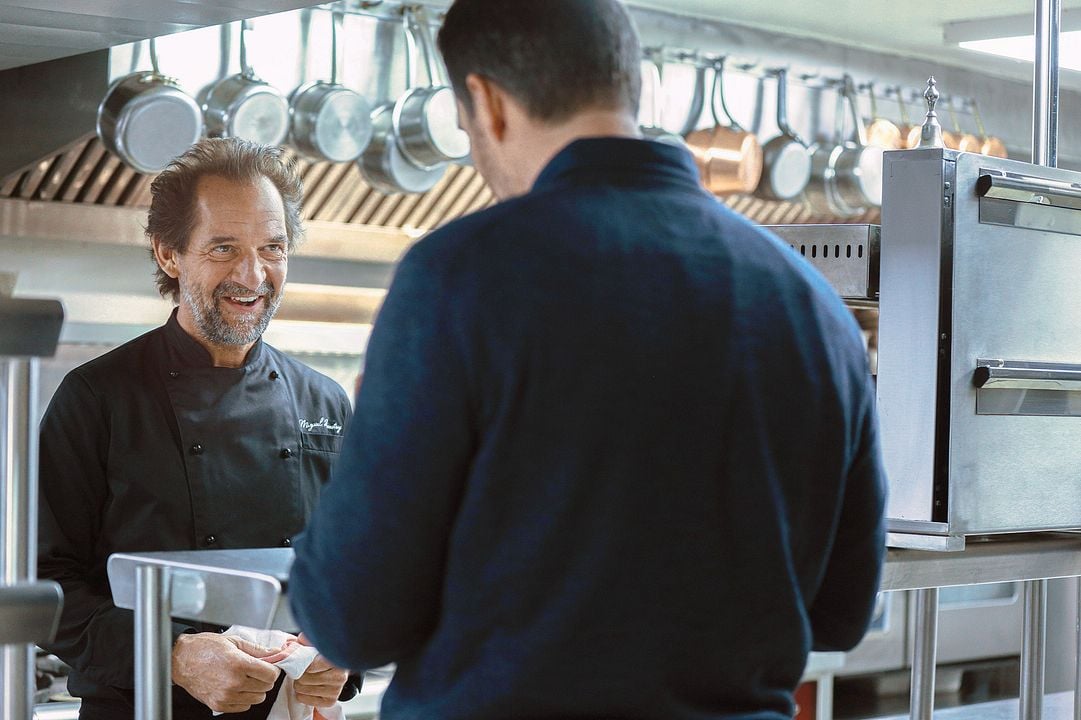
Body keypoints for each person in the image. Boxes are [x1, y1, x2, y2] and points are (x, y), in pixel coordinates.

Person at [290, 0, 888, 717]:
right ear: (631, 87)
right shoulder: (814, 305)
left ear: (485, 102)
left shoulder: (465, 274)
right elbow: (839, 612)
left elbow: (356, 617)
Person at [38, 137, 355, 720]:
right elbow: (45, 589)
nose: (253, 275)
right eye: (224, 248)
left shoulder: (326, 400)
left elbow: (354, 566)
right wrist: (173, 655)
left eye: (273, 248)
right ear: (168, 253)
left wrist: (342, 655)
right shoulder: (96, 398)